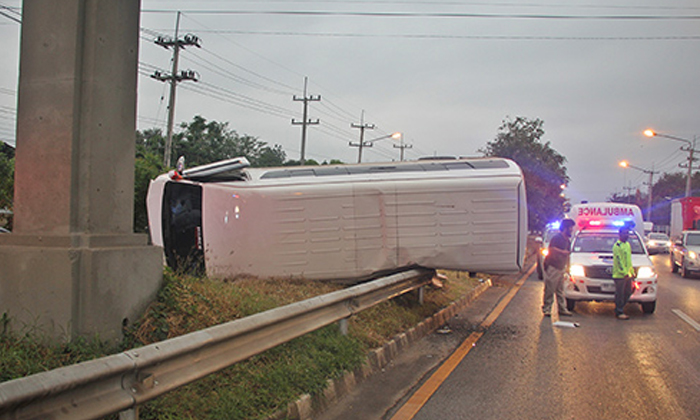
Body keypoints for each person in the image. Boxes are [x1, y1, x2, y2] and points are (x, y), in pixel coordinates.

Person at [542, 219, 575, 317]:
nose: (572, 230)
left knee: (560, 290)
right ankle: (547, 308)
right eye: (570, 228)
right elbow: (551, 249)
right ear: (565, 228)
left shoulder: (567, 241)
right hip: (553, 266)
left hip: (561, 267)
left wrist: (568, 268)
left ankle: (562, 309)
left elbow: (568, 254)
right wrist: (562, 252)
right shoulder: (557, 238)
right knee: (550, 288)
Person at [612, 227, 635, 320]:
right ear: (620, 234)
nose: (627, 235)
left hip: (628, 274)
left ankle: (619, 308)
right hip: (619, 275)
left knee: (628, 292)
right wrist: (624, 272)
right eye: (625, 233)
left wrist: (631, 272)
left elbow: (628, 260)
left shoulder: (627, 245)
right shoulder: (617, 246)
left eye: (628, 233)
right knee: (620, 294)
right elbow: (619, 261)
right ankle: (619, 311)